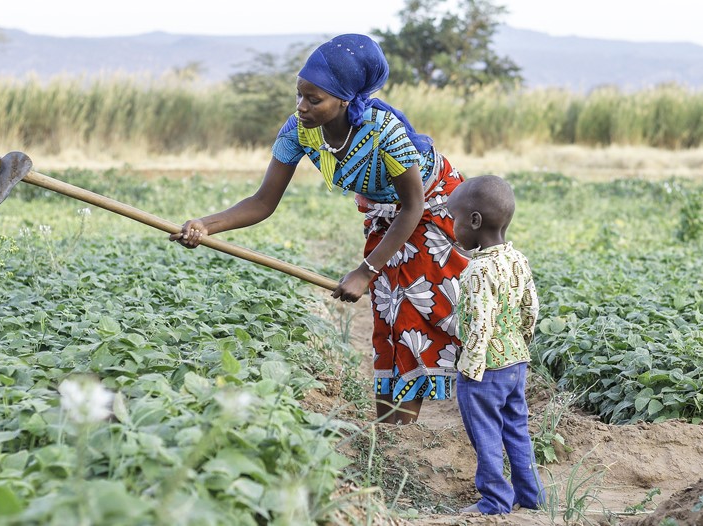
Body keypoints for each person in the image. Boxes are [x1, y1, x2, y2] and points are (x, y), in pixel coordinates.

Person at [170, 34, 468, 424]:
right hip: (384, 210)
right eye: (299, 95)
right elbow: (262, 202)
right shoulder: (298, 132)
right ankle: (392, 426)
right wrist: (205, 225)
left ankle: (448, 405)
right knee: (386, 308)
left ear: (345, 98)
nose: (302, 106)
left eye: (314, 99)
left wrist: (366, 270)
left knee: (415, 305)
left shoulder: (384, 131)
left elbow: (412, 206)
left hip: (431, 203)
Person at [445, 175, 545, 514]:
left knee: (485, 434)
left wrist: (470, 369)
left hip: (484, 369)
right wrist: (521, 342)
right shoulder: (516, 258)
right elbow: (531, 306)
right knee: (516, 428)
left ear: (474, 221)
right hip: (516, 362)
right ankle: (530, 496)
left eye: (454, 218)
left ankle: (494, 500)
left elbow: (480, 324)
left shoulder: (476, 272)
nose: (452, 226)